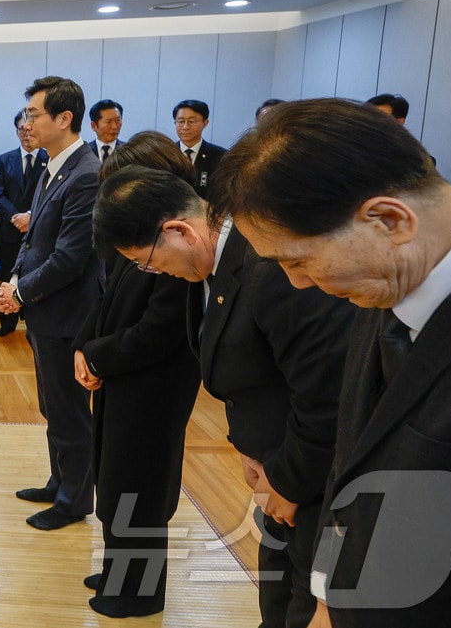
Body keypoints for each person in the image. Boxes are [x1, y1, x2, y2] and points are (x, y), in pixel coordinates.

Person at [209, 98, 451, 628]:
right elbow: (351, 464)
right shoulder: (384, 282)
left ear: (388, 218)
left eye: (299, 260)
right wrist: (324, 594)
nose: (297, 282)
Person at [92, 165, 353, 628]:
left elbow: (325, 397)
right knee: (277, 596)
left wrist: (289, 480)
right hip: (273, 465)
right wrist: (252, 450)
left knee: (304, 602)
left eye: (147, 261)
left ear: (179, 230)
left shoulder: (269, 267)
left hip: (312, 479)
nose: (151, 272)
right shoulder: (212, 265)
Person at [72, 131, 201, 618]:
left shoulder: (179, 248)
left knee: (140, 489)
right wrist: (84, 349)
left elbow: (159, 332)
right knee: (115, 479)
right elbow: (106, 298)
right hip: (121, 378)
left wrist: (98, 356)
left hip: (153, 387)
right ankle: (117, 570)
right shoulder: (142, 233)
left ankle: (138, 592)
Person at [0, 75, 103, 531]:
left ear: (64, 117)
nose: (27, 122)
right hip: (45, 310)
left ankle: (75, 500)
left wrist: (19, 293)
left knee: (70, 411)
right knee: (52, 406)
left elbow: (70, 258)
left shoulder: (86, 174)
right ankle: (60, 481)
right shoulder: (52, 165)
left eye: (34, 114)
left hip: (67, 314)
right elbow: (35, 240)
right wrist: (13, 281)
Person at [0, 110, 48, 337]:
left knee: (36, 276)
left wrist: (31, 217)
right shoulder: (4, 160)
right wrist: (18, 218)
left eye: (29, 128)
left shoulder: (49, 158)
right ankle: (7, 323)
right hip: (9, 230)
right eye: (21, 129)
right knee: (8, 276)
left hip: (39, 230)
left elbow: (49, 196)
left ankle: (34, 323)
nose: (26, 133)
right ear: (16, 132)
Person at [172, 99, 227, 197]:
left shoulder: (220, 156)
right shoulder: (167, 153)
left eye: (191, 121)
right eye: (180, 121)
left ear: (205, 123)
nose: (185, 127)